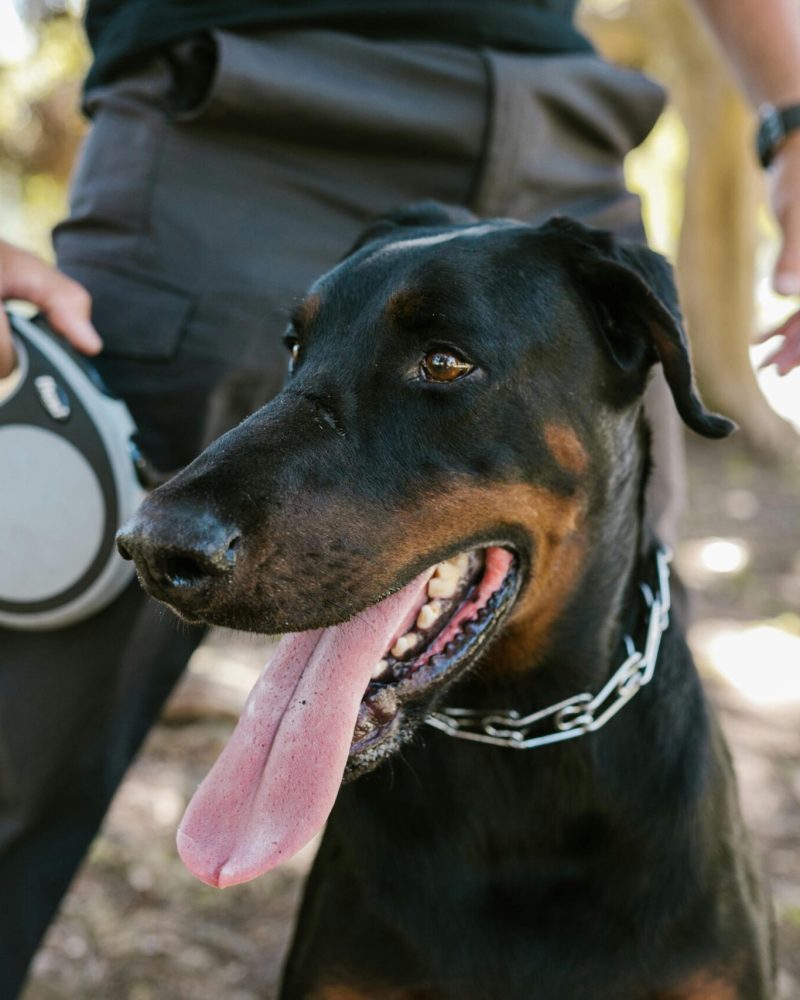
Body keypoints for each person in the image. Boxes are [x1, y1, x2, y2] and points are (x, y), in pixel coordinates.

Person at [0, 1, 799, 995]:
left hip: (556, 106)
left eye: (445, 361)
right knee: (13, 761)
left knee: (610, 639)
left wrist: (791, 118)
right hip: (227, 103)